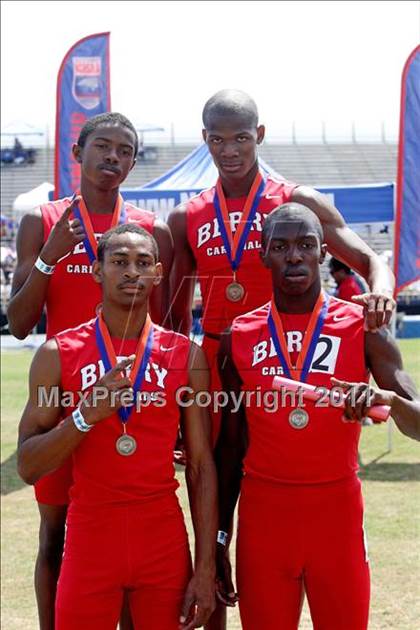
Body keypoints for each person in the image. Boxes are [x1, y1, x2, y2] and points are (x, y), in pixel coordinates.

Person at [168, 89, 396, 630]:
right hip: (224, 361)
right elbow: (174, 317)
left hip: (288, 354)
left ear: (259, 137)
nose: (230, 150)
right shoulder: (189, 214)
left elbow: (367, 258)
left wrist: (381, 291)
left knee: (292, 465)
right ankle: (214, 576)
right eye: (218, 139)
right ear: (205, 141)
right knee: (213, 478)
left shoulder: (299, 203)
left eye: (241, 138)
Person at [215, 203, 420, 630]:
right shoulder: (238, 337)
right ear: (263, 254)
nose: (294, 256)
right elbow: (230, 450)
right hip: (264, 519)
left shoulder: (363, 326)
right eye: (282, 246)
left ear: (323, 252)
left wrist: (388, 401)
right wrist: (220, 537)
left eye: (306, 245)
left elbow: (416, 419)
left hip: (336, 515)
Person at [7, 112, 173, 630]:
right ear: (77, 154)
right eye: (103, 146)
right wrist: (49, 258)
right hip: (64, 398)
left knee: (127, 538)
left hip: (133, 404)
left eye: (126, 150)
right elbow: (16, 322)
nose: (114, 158)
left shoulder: (150, 230)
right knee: (55, 537)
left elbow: (163, 326)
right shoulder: (44, 219)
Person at [17, 224, 217, 629]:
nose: (131, 272)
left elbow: (199, 464)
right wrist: (83, 416)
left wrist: (206, 567)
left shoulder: (186, 356)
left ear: (158, 274)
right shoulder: (57, 354)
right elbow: (27, 465)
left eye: (143, 263)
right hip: (91, 536)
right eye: (119, 262)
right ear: (96, 271)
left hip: (161, 536)